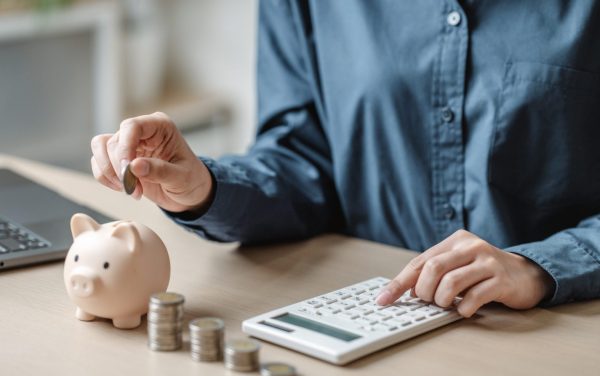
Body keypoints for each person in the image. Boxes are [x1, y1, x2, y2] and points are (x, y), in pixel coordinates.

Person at [91, 1, 600, 318]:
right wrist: (203, 186)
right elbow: (302, 161)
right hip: (374, 325)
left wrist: (538, 267)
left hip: (553, 331)